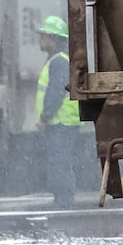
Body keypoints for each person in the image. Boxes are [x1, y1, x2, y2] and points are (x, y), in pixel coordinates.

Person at [35, 15, 82, 208]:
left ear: (54, 39)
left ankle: (64, 202)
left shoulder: (58, 61)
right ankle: (63, 201)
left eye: (44, 36)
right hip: (64, 122)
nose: (41, 40)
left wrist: (44, 117)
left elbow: (56, 92)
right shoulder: (59, 60)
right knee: (60, 160)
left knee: (59, 161)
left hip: (61, 122)